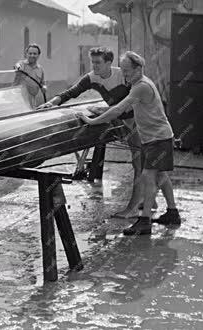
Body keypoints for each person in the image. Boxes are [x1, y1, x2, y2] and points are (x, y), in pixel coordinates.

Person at [77, 51, 180, 235]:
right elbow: (123, 108)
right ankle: (172, 213)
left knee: (148, 176)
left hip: (158, 138)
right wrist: (102, 109)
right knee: (161, 175)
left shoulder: (141, 86)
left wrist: (91, 121)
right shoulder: (140, 84)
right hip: (157, 137)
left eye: (127, 71)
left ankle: (144, 221)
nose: (124, 75)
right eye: (123, 71)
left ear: (138, 69)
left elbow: (118, 110)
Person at [38, 46, 146, 218]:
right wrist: (52, 103)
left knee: (141, 164)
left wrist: (104, 111)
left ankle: (138, 206)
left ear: (109, 63)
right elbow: (71, 92)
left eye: (98, 62)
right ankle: (151, 201)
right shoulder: (92, 77)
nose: (94, 66)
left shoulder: (123, 75)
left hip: (140, 120)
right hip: (125, 120)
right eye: (92, 62)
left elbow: (135, 100)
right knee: (142, 163)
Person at [13, 44, 46, 109]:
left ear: (38, 55)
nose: (32, 55)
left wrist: (44, 87)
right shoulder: (22, 64)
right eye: (30, 53)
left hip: (32, 102)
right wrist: (17, 67)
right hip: (20, 101)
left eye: (34, 53)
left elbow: (43, 83)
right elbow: (16, 66)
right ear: (26, 54)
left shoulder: (40, 69)